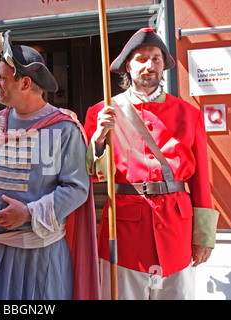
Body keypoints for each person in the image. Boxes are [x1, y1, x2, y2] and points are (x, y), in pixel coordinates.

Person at [0, 30, 99, 300]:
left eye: (2, 77)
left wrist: (29, 213)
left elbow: (77, 188)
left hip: (40, 255)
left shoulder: (64, 128)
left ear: (25, 83)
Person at [84, 28, 219, 300]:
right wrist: (98, 138)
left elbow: (201, 179)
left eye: (156, 58)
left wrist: (203, 235)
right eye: (141, 59)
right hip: (124, 234)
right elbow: (94, 175)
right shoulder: (102, 113)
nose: (150, 65)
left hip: (177, 233)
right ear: (128, 66)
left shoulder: (189, 114)